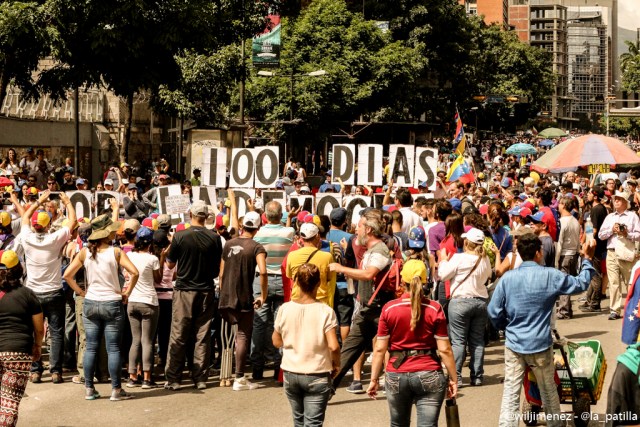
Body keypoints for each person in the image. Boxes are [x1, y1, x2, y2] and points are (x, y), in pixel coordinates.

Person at [487, 234, 596, 427]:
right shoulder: (550, 275)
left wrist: (506, 326)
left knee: (511, 393)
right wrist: (587, 259)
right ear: (538, 253)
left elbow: (493, 311)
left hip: (514, 344)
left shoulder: (507, 279)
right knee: (548, 392)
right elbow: (580, 284)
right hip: (540, 344)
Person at [366, 259, 457, 426]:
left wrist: (373, 379)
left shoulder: (389, 308)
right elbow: (445, 350)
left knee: (398, 424)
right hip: (429, 371)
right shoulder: (434, 308)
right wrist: (453, 378)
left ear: (402, 281)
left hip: (396, 372)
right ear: (425, 281)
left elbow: (380, 349)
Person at [63, 212, 140, 401]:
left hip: (90, 302)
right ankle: (116, 390)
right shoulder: (116, 252)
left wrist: (81, 292)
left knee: (90, 347)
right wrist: (127, 293)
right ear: (106, 234)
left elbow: (67, 275)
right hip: (112, 302)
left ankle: (89, 388)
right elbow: (134, 272)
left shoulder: (84, 252)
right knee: (113, 348)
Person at [15, 190, 76, 384]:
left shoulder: (27, 237)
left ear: (34, 226)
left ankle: (36, 370)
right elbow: (72, 222)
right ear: (48, 225)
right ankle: (56, 371)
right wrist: (67, 202)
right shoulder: (54, 238)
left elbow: (24, 217)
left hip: (32, 293)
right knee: (56, 332)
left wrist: (37, 202)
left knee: (35, 332)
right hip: (54, 292)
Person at [328, 209, 393, 391]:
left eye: (360, 226)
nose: (356, 229)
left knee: (395, 349)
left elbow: (368, 274)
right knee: (349, 349)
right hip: (368, 309)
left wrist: (341, 268)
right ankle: (328, 388)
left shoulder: (380, 250)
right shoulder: (371, 249)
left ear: (369, 230)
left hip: (379, 310)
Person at [163, 200, 222, 391]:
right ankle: (200, 377)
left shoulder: (180, 236)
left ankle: (174, 378)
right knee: (202, 335)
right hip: (205, 290)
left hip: (184, 291)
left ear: (190, 215)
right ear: (206, 217)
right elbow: (216, 269)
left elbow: (170, 265)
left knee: (179, 335)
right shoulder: (214, 238)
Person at [272, 263, 340, 426]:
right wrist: (336, 364)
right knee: (313, 423)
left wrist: (291, 343)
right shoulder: (325, 311)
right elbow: (334, 346)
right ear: (319, 283)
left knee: (298, 420)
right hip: (317, 372)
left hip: (291, 371)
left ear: (295, 282)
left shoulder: (284, 309)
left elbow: (276, 341)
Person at [438, 228, 496, 387]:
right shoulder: (484, 260)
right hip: (480, 301)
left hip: (460, 302)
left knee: (458, 341)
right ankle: (477, 376)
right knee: (477, 341)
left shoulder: (458, 258)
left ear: (467, 243)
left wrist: (443, 260)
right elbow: (488, 277)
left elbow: (442, 276)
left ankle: (455, 376)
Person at [219, 211, 268, 391]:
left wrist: (223, 291)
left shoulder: (229, 244)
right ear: (257, 228)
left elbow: (222, 272)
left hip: (226, 296)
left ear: (242, 226)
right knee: (242, 335)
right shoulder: (257, 247)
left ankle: (224, 373)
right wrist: (263, 295)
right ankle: (239, 377)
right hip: (244, 296)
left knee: (226, 335)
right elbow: (263, 271)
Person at [250, 201, 294, 381]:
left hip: (261, 279)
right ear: (281, 214)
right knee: (280, 324)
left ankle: (257, 368)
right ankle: (279, 368)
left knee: (259, 323)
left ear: (265, 216)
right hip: (282, 280)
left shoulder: (258, 234)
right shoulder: (289, 232)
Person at [0, 250, 44, 427]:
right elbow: (39, 328)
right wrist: (38, 346)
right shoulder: (27, 294)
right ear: (19, 270)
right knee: (9, 402)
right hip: (18, 353)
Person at [125, 227, 162, 389]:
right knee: (147, 341)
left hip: (132, 301)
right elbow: (158, 279)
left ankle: (132, 376)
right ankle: (147, 377)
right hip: (148, 301)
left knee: (135, 340)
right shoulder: (152, 259)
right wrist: (162, 258)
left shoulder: (129, 256)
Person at [599, 190, 640, 320]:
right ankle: (614, 310)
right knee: (614, 282)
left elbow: (638, 234)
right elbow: (601, 235)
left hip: (626, 251)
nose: (615, 201)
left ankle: (632, 308)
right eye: (615, 199)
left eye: (619, 199)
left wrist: (626, 234)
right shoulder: (609, 217)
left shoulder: (632, 216)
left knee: (629, 282)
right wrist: (612, 230)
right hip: (611, 252)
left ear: (625, 202)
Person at [286, 223, 336, 307]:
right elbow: (329, 279)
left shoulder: (291, 255)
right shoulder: (327, 257)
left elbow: (290, 276)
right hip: (320, 303)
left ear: (302, 237)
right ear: (317, 236)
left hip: (297, 301)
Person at [555, 196, 581, 319]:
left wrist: (556, 259)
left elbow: (559, 243)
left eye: (560, 203)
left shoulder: (563, 221)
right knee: (568, 282)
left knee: (564, 283)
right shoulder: (575, 220)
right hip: (573, 254)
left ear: (564, 205)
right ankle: (567, 309)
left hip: (565, 254)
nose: (558, 206)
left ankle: (564, 310)